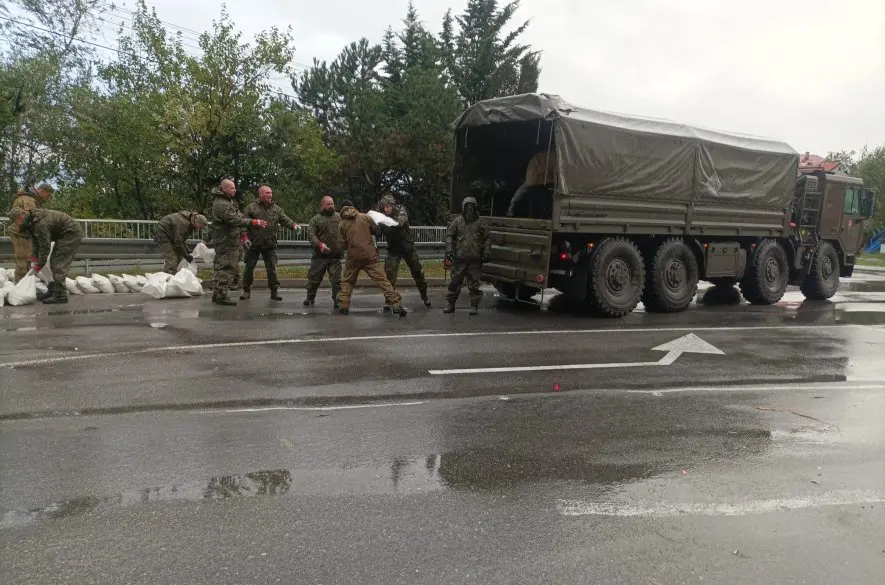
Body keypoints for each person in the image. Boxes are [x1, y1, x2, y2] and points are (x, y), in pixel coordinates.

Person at [336, 200, 406, 316]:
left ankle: (344, 305)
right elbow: (376, 231)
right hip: (370, 255)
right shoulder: (364, 217)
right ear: (353, 207)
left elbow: (341, 244)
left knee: (347, 281)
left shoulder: (342, 223)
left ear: (342, 209)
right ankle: (396, 303)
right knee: (382, 280)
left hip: (353, 257)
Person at [8, 206, 83, 304]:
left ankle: (60, 295)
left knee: (57, 262)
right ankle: (52, 290)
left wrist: (38, 266)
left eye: (16, 221)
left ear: (20, 217)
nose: (16, 224)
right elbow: (36, 242)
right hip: (61, 234)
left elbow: (45, 247)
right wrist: (34, 259)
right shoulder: (30, 222)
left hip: (70, 233)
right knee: (52, 262)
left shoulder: (40, 224)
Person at [209, 178, 266, 305]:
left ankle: (217, 293)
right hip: (225, 241)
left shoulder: (228, 202)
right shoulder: (222, 204)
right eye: (232, 188)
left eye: (234, 187)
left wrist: (250, 220)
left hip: (228, 240)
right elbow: (233, 219)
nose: (235, 190)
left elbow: (239, 215)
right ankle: (221, 295)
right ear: (224, 189)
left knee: (221, 267)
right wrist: (253, 222)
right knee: (225, 267)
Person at [240, 184, 299, 301]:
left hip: (269, 243)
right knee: (249, 268)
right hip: (253, 243)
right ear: (261, 194)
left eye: (271, 193)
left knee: (271, 268)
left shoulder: (276, 209)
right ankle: (246, 290)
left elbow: (284, 219)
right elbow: (243, 223)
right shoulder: (251, 208)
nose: (270, 195)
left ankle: (274, 291)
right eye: (267, 193)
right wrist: (244, 237)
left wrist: (293, 225)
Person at [377, 193, 431, 309]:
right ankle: (389, 300)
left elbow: (399, 223)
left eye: (388, 206)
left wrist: (383, 220)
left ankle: (424, 295)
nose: (386, 209)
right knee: (389, 275)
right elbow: (377, 232)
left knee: (417, 271)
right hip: (393, 249)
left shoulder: (401, 211)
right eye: (384, 207)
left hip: (407, 248)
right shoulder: (381, 217)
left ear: (392, 205)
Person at [444, 195, 490, 315]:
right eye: (467, 206)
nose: (469, 209)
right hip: (459, 258)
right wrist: (449, 250)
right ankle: (450, 304)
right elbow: (450, 236)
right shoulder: (457, 221)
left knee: (474, 284)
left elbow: (487, 238)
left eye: (471, 206)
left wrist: (486, 252)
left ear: (475, 208)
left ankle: (474, 306)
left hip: (475, 259)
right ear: (463, 207)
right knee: (454, 283)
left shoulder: (480, 223)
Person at [9, 183, 53, 282]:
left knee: (28, 259)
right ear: (43, 191)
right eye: (48, 195)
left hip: (24, 232)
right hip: (21, 233)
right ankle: (20, 286)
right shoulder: (28, 200)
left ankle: (25, 285)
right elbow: (32, 218)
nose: (47, 198)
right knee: (24, 259)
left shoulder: (29, 198)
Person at [304, 195, 342, 308]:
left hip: (335, 256)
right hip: (320, 256)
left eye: (332, 204)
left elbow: (347, 231)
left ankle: (337, 300)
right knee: (314, 279)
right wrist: (319, 244)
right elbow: (311, 235)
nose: (331, 206)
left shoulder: (340, 218)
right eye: (328, 204)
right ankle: (310, 297)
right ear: (322, 205)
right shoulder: (316, 219)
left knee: (336, 281)